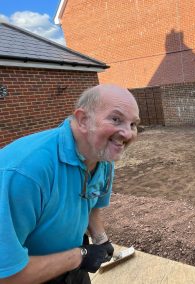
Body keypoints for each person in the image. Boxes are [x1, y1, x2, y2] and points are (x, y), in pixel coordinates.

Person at [0, 84, 140, 283]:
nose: (127, 134)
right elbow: (7, 275)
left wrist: (100, 238)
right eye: (116, 119)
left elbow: (90, 204)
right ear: (83, 120)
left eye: (133, 124)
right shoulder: (24, 173)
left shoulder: (102, 158)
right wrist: (79, 256)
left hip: (72, 268)